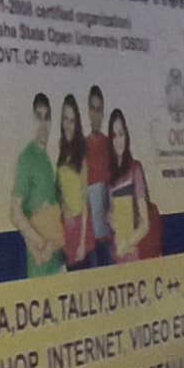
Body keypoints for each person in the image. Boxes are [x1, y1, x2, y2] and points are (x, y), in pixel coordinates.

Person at [11, 93, 66, 277]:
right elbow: (15, 212)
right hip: (41, 266)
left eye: (47, 117)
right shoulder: (27, 158)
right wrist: (41, 243)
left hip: (58, 259)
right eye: (38, 117)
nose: (43, 124)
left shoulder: (46, 158)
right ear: (32, 121)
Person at [102, 108, 164, 262]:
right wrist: (110, 218)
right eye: (114, 135)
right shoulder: (110, 175)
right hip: (118, 251)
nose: (118, 140)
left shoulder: (135, 169)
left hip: (135, 252)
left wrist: (127, 244)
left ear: (127, 136)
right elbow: (113, 215)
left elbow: (145, 224)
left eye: (121, 134)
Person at [55, 93, 94, 270]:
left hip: (81, 226)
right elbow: (61, 188)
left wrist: (82, 243)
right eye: (65, 119)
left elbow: (85, 200)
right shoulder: (61, 148)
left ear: (77, 123)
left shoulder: (81, 152)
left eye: (72, 121)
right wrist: (65, 209)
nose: (68, 125)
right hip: (67, 225)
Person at [81, 86, 115, 269]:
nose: (96, 114)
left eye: (99, 109)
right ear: (88, 112)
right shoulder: (82, 147)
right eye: (92, 109)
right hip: (90, 236)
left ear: (103, 113)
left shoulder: (110, 145)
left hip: (109, 234)